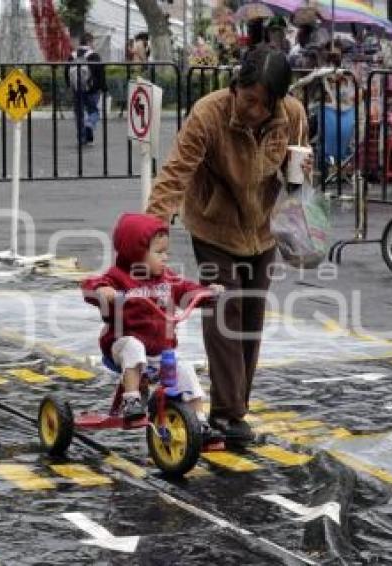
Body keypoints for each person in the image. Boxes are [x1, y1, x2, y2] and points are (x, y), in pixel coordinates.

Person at [145, 47, 311, 441]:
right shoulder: (209, 113)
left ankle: (237, 405)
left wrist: (303, 171)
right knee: (223, 307)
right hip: (214, 226)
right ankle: (227, 413)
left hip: (263, 227)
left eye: (263, 103)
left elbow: (297, 175)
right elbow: (174, 174)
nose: (253, 109)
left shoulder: (293, 115)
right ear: (235, 86)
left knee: (251, 315)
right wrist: (150, 230)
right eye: (247, 98)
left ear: (278, 101)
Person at [81, 213, 224, 434]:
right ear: (135, 253)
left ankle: (199, 423)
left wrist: (205, 292)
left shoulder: (167, 279)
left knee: (185, 370)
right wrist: (103, 291)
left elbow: (185, 289)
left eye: (166, 252)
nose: (165, 258)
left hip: (160, 352)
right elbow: (92, 285)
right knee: (133, 346)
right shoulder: (119, 276)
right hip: (119, 345)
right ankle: (131, 400)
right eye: (158, 252)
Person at [66, 32, 107, 146]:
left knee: (79, 114)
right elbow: (100, 74)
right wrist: (103, 88)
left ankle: (82, 138)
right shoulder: (94, 56)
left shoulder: (72, 55)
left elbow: (66, 73)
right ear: (89, 42)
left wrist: (70, 86)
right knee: (94, 111)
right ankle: (89, 124)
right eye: (92, 42)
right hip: (91, 89)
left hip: (76, 89)